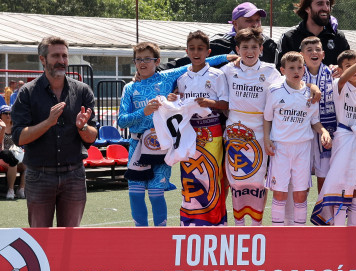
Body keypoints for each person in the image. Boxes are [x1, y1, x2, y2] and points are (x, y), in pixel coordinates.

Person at [118, 42, 232, 227]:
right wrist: (144, 111)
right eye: (138, 59)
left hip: (162, 146)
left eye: (148, 59)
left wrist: (227, 58)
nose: (142, 63)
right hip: (137, 146)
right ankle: (139, 237)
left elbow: (198, 61)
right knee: (135, 194)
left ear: (157, 61)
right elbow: (122, 121)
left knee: (156, 193)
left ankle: (160, 237)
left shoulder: (168, 76)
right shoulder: (129, 88)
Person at [11, 36, 97, 227]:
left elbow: (91, 138)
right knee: (40, 240)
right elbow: (19, 137)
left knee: (71, 239)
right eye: (56, 55)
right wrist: (48, 122)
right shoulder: (27, 92)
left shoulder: (83, 91)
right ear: (43, 59)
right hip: (39, 176)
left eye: (65, 56)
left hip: (74, 175)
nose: (62, 61)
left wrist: (82, 126)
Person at [222, 27, 283, 226]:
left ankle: (256, 224)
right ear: (237, 49)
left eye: (254, 47)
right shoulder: (227, 71)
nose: (250, 51)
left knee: (258, 181)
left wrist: (312, 87)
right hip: (235, 132)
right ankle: (239, 224)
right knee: (237, 180)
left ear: (261, 49)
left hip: (260, 132)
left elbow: (289, 86)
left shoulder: (270, 71)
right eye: (245, 47)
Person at [313, 50, 356, 226]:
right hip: (344, 139)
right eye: (348, 67)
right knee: (340, 188)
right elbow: (344, 78)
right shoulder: (339, 84)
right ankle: (338, 230)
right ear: (341, 70)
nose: (355, 70)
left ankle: (353, 230)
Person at [263, 51, 332, 226]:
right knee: (279, 192)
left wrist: (324, 132)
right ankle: (277, 233)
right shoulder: (275, 91)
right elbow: (267, 118)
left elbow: (315, 121)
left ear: (304, 70)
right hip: (281, 148)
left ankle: (299, 233)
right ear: (282, 70)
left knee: (301, 193)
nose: (296, 71)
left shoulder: (310, 94)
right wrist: (266, 138)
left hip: (303, 149)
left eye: (300, 67)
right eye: (291, 68)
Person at [172, 30, 229, 226]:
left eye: (201, 49)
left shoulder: (217, 75)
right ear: (187, 51)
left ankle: (215, 222)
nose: (196, 52)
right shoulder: (182, 78)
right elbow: (180, 106)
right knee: (189, 175)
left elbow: (226, 104)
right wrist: (174, 100)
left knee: (212, 175)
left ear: (208, 52)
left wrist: (210, 103)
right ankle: (190, 221)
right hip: (188, 132)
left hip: (212, 131)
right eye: (193, 49)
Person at [162, 2, 278, 69]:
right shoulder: (218, 44)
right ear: (235, 24)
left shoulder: (269, 45)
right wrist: (153, 70)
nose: (255, 24)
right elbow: (184, 63)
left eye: (258, 20)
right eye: (249, 20)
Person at [278, 0, 350, 66]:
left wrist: (339, 69)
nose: (325, 8)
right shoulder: (290, 38)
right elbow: (280, 71)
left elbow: (350, 67)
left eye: (328, 4)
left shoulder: (338, 37)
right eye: (320, 4)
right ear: (307, 8)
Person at [301, 36, 336, 192]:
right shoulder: (296, 73)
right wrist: (310, 85)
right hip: (302, 131)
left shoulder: (334, 73)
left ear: (323, 54)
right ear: (301, 55)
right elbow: (286, 83)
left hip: (328, 131)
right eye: (309, 50)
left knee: (324, 178)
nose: (313, 52)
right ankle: (297, 216)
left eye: (317, 50)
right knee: (302, 178)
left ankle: (323, 215)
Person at [0, 105, 25, 199]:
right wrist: (2, 129)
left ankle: (21, 189)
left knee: (27, 165)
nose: (8, 115)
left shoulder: (15, 126)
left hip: (15, 154)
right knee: (12, 162)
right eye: (5, 113)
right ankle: (10, 190)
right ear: (0, 115)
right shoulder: (0, 126)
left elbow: (20, 142)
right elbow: (0, 144)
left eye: (10, 113)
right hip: (3, 155)